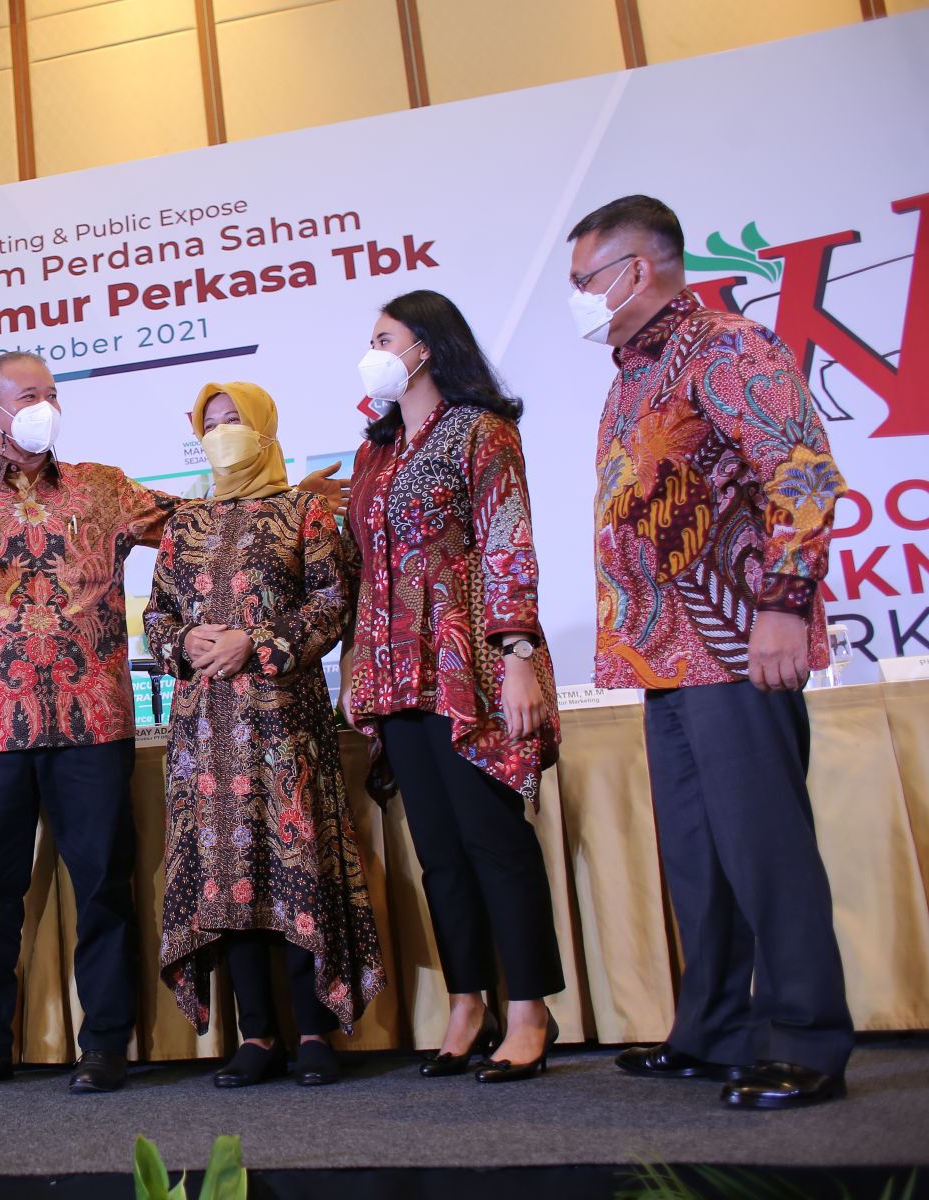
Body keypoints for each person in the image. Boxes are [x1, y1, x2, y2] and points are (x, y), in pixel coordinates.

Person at [568, 195, 852, 1110]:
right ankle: (716, 1031)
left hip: (734, 641)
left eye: (585, 280)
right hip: (663, 655)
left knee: (765, 848)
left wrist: (784, 606)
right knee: (700, 857)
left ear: (637, 269)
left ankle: (805, 1038)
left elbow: (803, 471)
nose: (579, 298)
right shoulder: (631, 374)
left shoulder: (728, 348)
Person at [0, 351, 177, 1094]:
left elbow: (191, 524)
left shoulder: (105, 487)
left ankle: (105, 1042)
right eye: (26, 396)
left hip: (92, 718)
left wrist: (272, 498)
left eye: (51, 393)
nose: (43, 406)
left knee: (103, 885)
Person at [339, 290, 564, 1084]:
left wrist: (518, 653)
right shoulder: (374, 453)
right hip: (395, 671)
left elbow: (508, 541)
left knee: (493, 840)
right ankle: (468, 1002)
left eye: (384, 338)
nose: (372, 352)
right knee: (438, 851)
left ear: (425, 347)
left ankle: (530, 1009)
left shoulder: (480, 430)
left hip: (471, 666)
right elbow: (364, 567)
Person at [142, 382, 385, 1088]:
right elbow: (157, 615)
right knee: (228, 875)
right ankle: (257, 1035)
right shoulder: (184, 523)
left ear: (265, 428)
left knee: (293, 864)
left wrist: (256, 641)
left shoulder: (304, 510)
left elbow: (332, 603)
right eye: (211, 422)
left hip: (283, 721)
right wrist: (185, 640)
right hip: (204, 729)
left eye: (235, 420)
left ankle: (312, 1030)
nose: (223, 432)